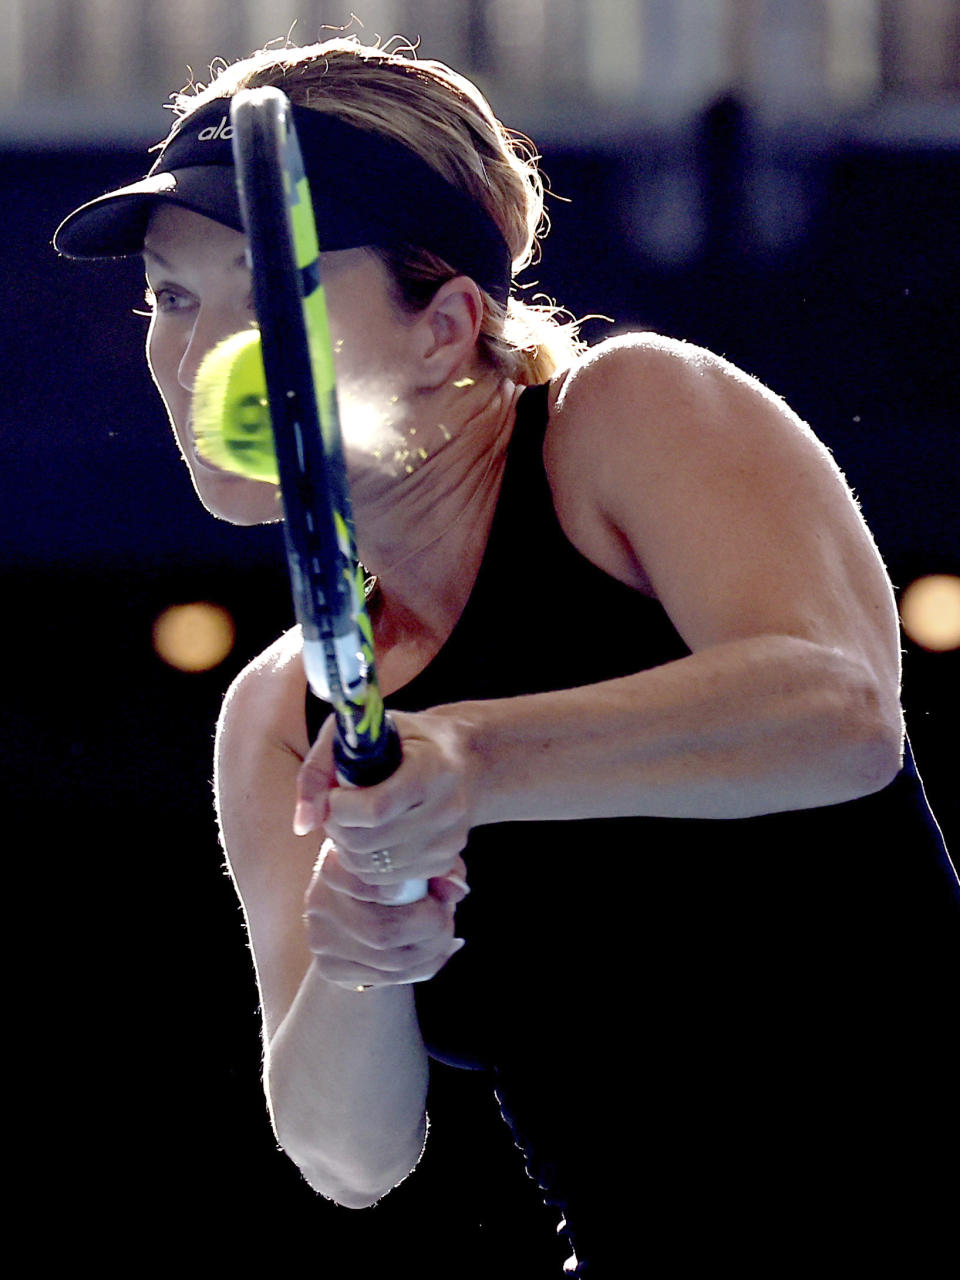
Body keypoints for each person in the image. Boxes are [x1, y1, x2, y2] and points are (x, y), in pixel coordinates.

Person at [55, 37, 958, 1277]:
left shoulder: (625, 418)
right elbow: (348, 1151)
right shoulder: (278, 708)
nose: (200, 346)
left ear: (447, 327)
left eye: (271, 282)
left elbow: (841, 712)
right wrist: (364, 939)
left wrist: (475, 757)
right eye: (170, 293)